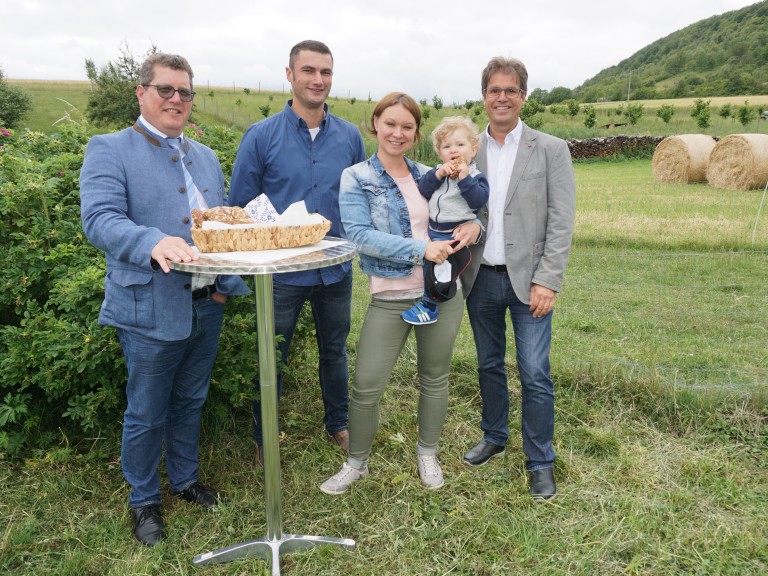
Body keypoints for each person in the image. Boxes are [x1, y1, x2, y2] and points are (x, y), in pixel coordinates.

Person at [80, 53, 249, 546]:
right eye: (165, 90)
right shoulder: (109, 149)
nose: (176, 99)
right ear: (142, 93)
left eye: (185, 92)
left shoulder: (206, 156)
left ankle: (185, 479)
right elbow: (100, 220)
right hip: (149, 305)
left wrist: (222, 288)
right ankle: (144, 501)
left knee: (191, 399)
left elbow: (217, 225)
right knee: (146, 408)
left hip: (205, 302)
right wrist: (151, 242)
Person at [319, 93, 481, 495]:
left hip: (441, 291)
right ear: (375, 123)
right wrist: (418, 249)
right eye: (390, 123)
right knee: (367, 385)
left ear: (416, 133)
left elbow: (468, 209)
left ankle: (427, 453)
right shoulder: (357, 177)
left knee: (435, 377)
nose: (398, 132)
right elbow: (358, 234)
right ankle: (356, 463)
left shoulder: (433, 172)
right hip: (391, 294)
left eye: (407, 126)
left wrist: (476, 227)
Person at [229, 40, 366, 462]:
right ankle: (263, 432)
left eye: (325, 72)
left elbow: (359, 197)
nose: (317, 80)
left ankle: (339, 424)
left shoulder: (349, 136)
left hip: (334, 271)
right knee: (272, 354)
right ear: (289, 74)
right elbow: (241, 205)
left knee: (335, 349)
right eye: (308, 71)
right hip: (281, 274)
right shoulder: (261, 136)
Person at [460, 57, 576, 501]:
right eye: (494, 90)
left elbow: (561, 221)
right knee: (488, 364)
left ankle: (540, 461)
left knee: (534, 372)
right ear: (484, 96)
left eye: (511, 90)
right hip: (479, 279)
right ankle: (494, 434)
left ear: (523, 96)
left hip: (530, 283)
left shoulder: (550, 149)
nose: (502, 98)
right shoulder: (469, 150)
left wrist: (547, 280)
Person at [400, 115, 489, 325]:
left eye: (460, 144)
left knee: (439, 270)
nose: (454, 150)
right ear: (440, 152)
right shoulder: (438, 172)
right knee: (431, 266)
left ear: (473, 150)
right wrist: (439, 173)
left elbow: (478, 200)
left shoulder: (476, 176)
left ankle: (429, 306)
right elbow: (423, 189)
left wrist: (464, 178)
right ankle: (429, 300)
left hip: (454, 233)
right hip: (433, 231)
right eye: (447, 146)